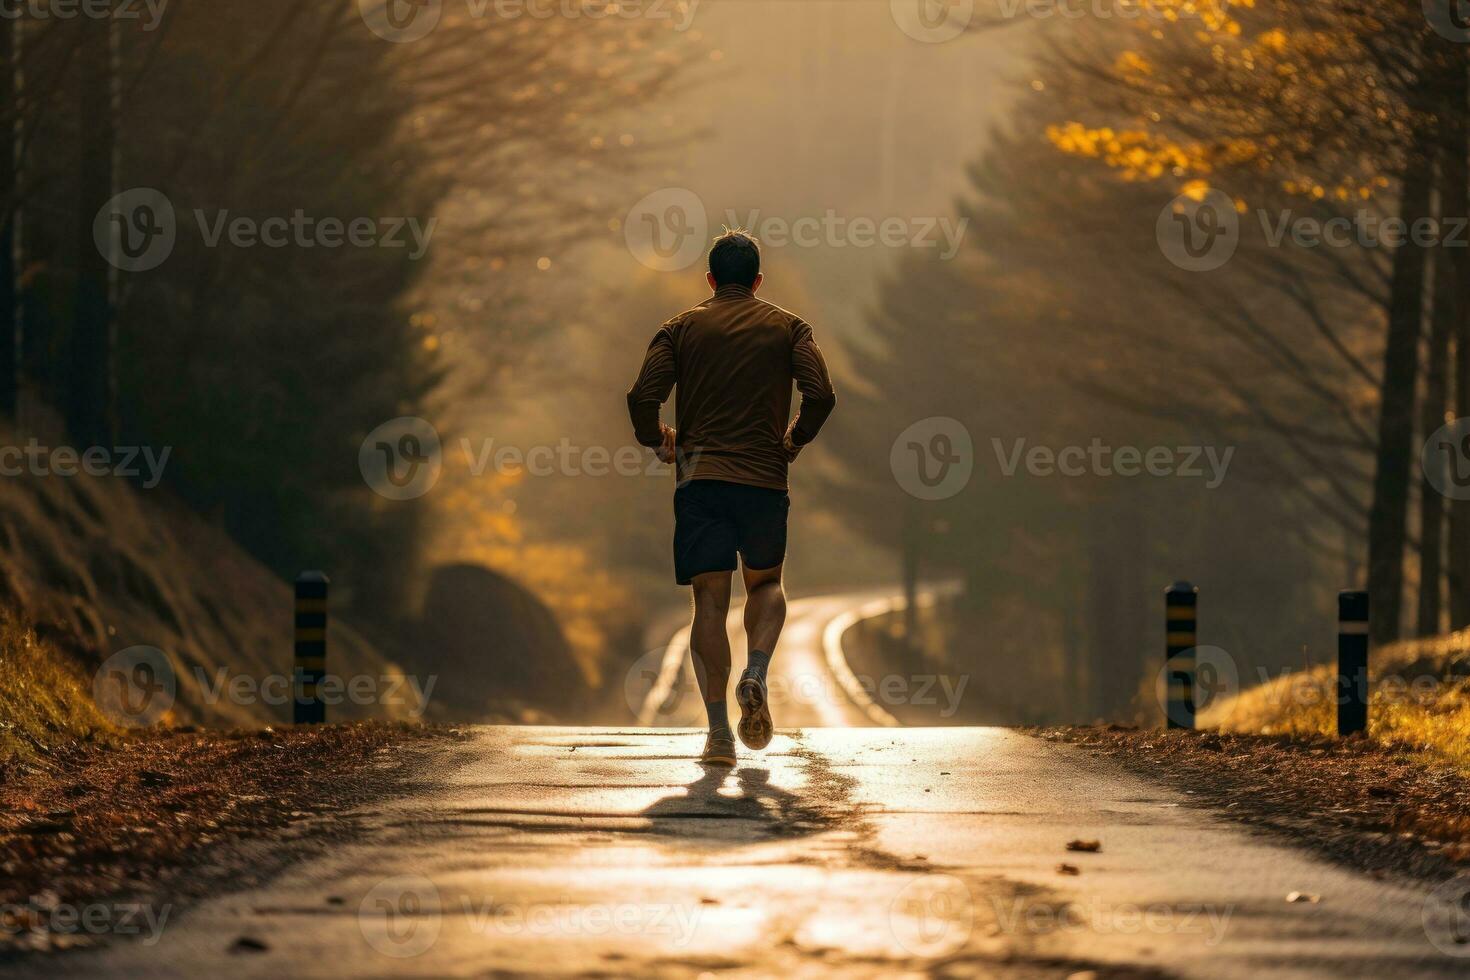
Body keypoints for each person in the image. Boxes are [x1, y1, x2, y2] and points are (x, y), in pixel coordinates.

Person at [625, 228, 836, 766]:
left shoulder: (679, 329)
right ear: (758, 280)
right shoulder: (789, 328)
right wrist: (793, 441)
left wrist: (659, 440)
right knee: (765, 585)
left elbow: (643, 395)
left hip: (701, 485)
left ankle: (719, 735)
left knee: (709, 603)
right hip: (764, 482)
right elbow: (821, 394)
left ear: (711, 279)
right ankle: (757, 672)